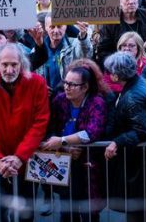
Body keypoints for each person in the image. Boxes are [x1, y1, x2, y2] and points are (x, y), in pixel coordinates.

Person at [0, 43, 50, 222]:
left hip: (27, 161)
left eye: (14, 64)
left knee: (26, 214)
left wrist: (19, 157)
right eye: (4, 64)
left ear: (22, 64)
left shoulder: (37, 83)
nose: (9, 69)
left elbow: (40, 123)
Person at [41, 61, 109, 222]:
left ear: (85, 87)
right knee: (66, 212)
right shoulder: (59, 100)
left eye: (72, 84)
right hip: (64, 164)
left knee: (89, 213)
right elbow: (49, 129)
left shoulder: (97, 102)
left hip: (89, 166)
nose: (67, 87)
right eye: (65, 82)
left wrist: (63, 141)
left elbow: (91, 133)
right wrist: (65, 148)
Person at [103, 52, 146, 222]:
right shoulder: (140, 84)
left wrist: (117, 141)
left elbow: (142, 130)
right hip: (142, 160)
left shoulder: (133, 97)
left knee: (137, 208)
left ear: (116, 74)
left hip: (139, 163)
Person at [27, 14, 92, 93]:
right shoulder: (37, 50)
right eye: (52, 27)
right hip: (46, 96)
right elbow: (31, 75)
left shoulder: (74, 44)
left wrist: (83, 36)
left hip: (69, 95)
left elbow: (86, 54)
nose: (56, 31)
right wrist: (40, 86)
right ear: (46, 28)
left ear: (65, 27)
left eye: (59, 26)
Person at [97, 0, 146, 66]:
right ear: (119, 2)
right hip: (119, 65)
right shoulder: (110, 22)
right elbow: (103, 51)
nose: (131, 1)